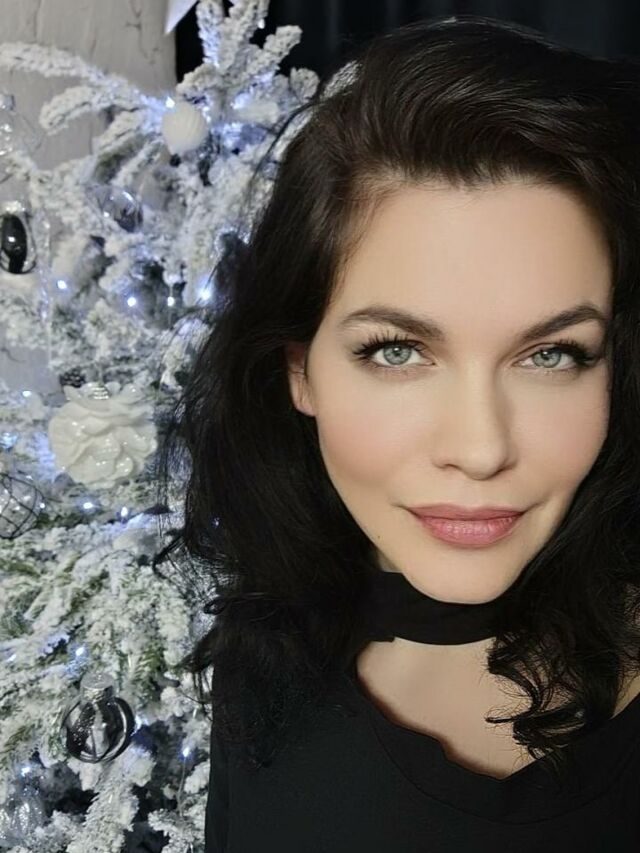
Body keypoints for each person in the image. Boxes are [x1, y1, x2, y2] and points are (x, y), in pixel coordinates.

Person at [156, 14, 640, 851]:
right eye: (398, 350)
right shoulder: (262, 655)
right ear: (300, 370)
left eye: (551, 354)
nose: (482, 448)